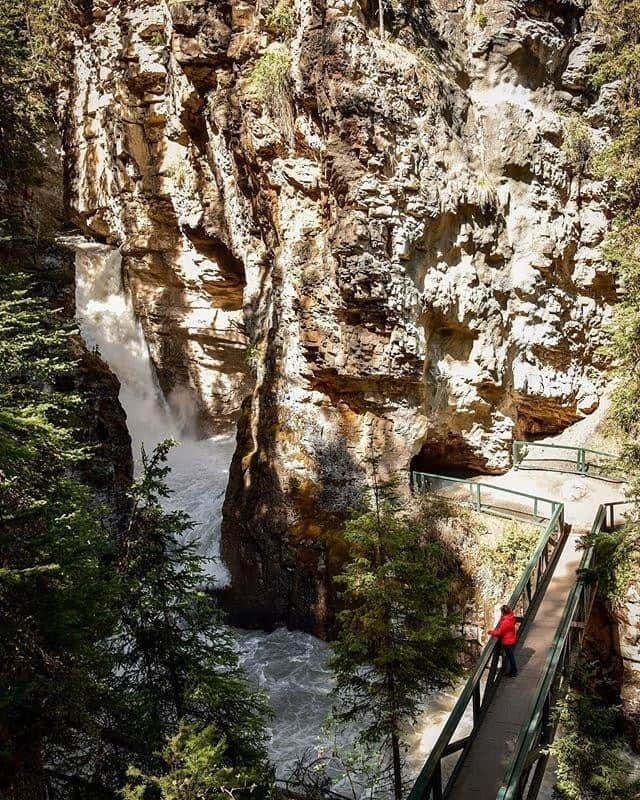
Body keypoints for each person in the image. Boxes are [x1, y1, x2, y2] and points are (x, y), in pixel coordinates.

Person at [488, 604, 518, 677]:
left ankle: (513, 672)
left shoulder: (505, 622)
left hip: (507, 642)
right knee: (511, 657)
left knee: (511, 658)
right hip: (512, 640)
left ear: (503, 612)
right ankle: (512, 671)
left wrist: (491, 632)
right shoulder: (512, 617)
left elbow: (500, 633)